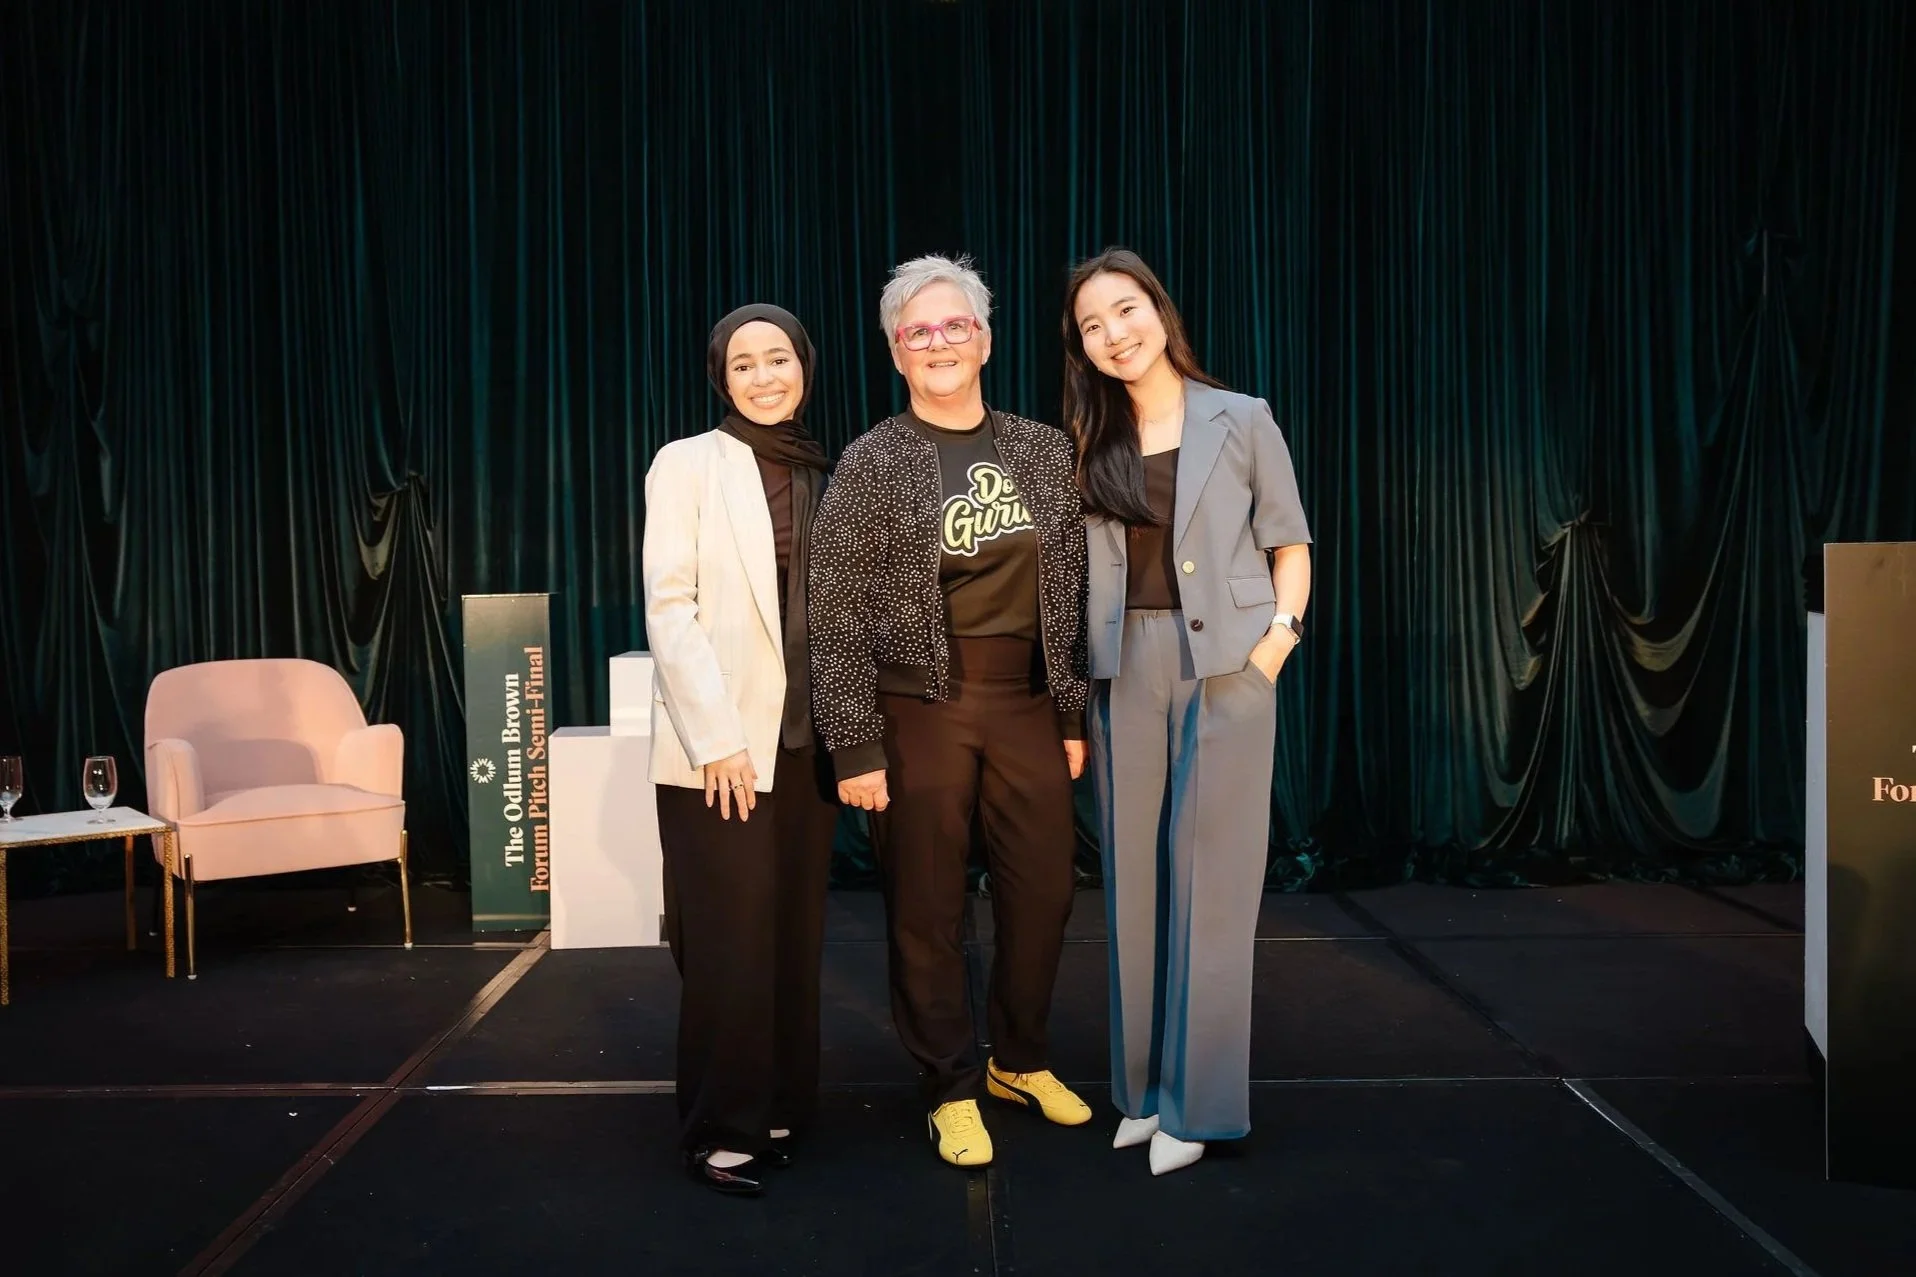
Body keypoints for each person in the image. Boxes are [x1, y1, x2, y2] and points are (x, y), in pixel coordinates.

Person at [808, 253, 1093, 1168]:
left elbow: (1074, 589)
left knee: (1044, 892)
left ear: (985, 340)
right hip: (918, 702)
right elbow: (836, 603)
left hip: (1026, 700)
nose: (939, 342)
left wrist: (1072, 714)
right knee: (927, 906)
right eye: (918, 330)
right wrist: (853, 743)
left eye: (954, 325)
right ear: (897, 352)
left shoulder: (1045, 449)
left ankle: (1020, 1058)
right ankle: (948, 1084)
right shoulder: (874, 458)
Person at [1063, 247, 1312, 1176]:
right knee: (1131, 882)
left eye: (1124, 311)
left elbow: (1291, 540)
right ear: (1082, 348)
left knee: (1212, 885)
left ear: (1159, 312)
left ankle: (1199, 1106)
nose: (1113, 333)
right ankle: (1141, 1091)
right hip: (1123, 668)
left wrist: (1275, 645)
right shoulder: (1088, 438)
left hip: (1228, 668)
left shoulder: (1242, 418)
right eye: (1092, 325)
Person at [642, 303, 841, 1197]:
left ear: (805, 366)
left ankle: (781, 1101)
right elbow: (669, 607)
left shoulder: (825, 471)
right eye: (745, 364)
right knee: (726, 938)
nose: (765, 377)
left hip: (804, 745)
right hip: (720, 750)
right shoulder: (686, 463)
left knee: (794, 933)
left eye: (779, 359)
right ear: (722, 378)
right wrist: (716, 738)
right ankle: (720, 1125)